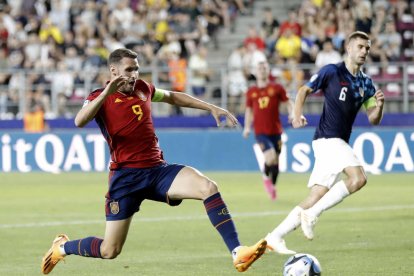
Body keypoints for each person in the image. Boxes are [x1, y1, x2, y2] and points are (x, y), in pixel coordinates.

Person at [40, 48, 267, 274]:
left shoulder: (143, 88)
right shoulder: (98, 97)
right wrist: (106, 93)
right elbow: (80, 120)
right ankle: (62, 247)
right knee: (110, 250)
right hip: (126, 177)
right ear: (113, 70)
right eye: (129, 70)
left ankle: (237, 251)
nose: (134, 75)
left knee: (208, 187)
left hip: (158, 171)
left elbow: (172, 96)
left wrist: (210, 107)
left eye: (137, 69)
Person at [264, 31, 385, 254]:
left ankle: (275, 236)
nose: (364, 52)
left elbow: (373, 120)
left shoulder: (366, 84)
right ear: (348, 48)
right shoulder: (332, 71)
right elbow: (303, 90)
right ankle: (311, 214)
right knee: (358, 178)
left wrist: (379, 106)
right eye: (360, 47)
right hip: (329, 139)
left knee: (317, 194)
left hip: (331, 142)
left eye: (367, 48)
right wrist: (296, 114)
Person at [242, 60, 293, 201]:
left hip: (276, 131)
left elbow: (288, 101)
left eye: (264, 68)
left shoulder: (277, 88)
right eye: (260, 68)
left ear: (268, 70)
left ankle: (273, 186)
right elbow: (249, 111)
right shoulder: (251, 92)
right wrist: (247, 127)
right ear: (256, 72)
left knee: (276, 161)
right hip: (260, 132)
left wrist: (292, 114)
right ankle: (265, 177)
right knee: (269, 157)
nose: (262, 70)